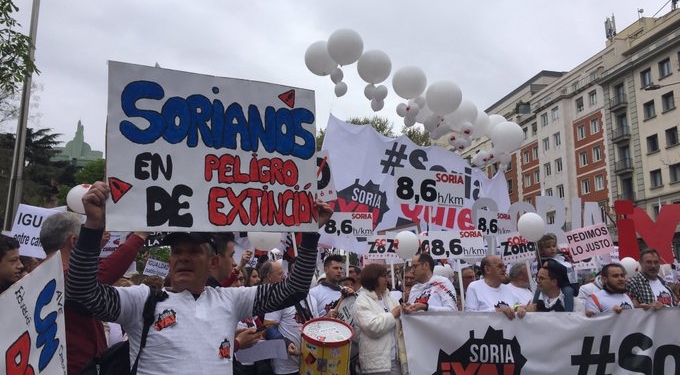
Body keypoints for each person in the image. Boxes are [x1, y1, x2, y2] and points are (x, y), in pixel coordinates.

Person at [65, 181, 333, 374]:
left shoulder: (230, 300)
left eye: (193, 252)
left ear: (213, 263)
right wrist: (93, 228)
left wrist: (309, 233)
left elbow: (295, 288)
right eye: (177, 251)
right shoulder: (142, 300)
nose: (183, 257)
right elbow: (81, 295)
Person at [41, 210, 149, 375]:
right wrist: (139, 236)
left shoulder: (36, 276)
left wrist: (94, 246)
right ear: (74, 241)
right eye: (86, 238)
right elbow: (97, 275)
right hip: (76, 367)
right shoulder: (61, 277)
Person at [263, 259, 318, 375]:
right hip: (286, 367)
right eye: (298, 273)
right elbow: (268, 326)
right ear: (290, 275)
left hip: (309, 363)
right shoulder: (280, 297)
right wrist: (285, 343)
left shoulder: (312, 299)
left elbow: (315, 325)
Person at [352, 264, 407, 375]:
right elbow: (372, 327)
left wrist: (406, 311)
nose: (386, 279)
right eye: (382, 276)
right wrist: (392, 315)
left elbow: (400, 324)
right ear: (372, 277)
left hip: (395, 360)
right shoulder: (362, 300)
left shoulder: (390, 298)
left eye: (386, 276)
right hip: (376, 364)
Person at [464, 256, 518, 320]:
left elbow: (515, 307)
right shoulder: (474, 287)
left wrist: (520, 309)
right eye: (499, 266)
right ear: (487, 269)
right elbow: (469, 316)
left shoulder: (508, 289)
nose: (504, 269)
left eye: (504, 266)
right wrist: (496, 311)